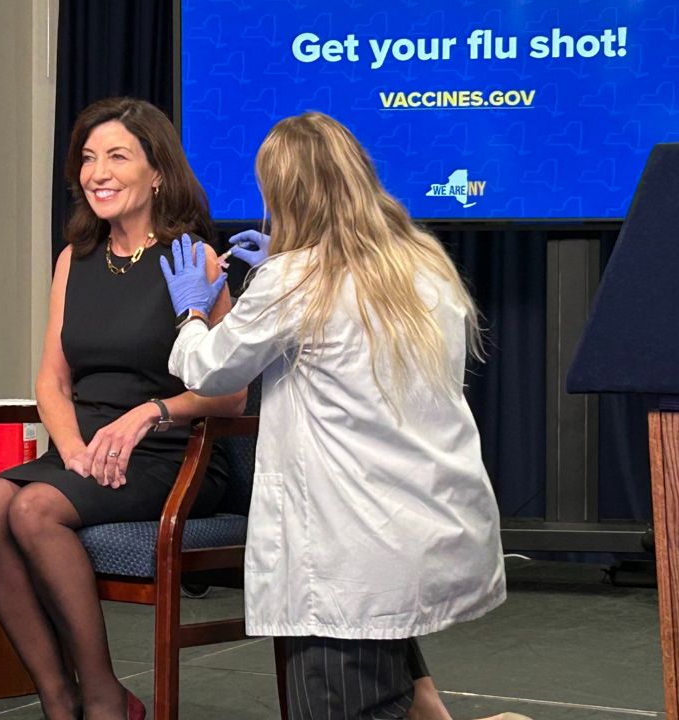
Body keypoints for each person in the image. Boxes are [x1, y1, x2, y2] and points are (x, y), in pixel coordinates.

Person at [160, 111, 508, 719]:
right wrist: (277, 273)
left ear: (283, 195)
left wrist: (192, 312)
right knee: (398, 682)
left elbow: (210, 369)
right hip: (417, 531)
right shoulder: (422, 262)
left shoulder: (297, 279)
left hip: (350, 552)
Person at [0, 97, 245, 720]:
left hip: (172, 452)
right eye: (88, 159)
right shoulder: (75, 260)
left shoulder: (193, 259)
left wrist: (152, 413)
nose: (98, 172)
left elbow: (231, 392)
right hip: (85, 450)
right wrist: (74, 451)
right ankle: (59, 699)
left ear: (158, 173)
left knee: (33, 509)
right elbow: (52, 381)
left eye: (117, 156)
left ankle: (104, 700)